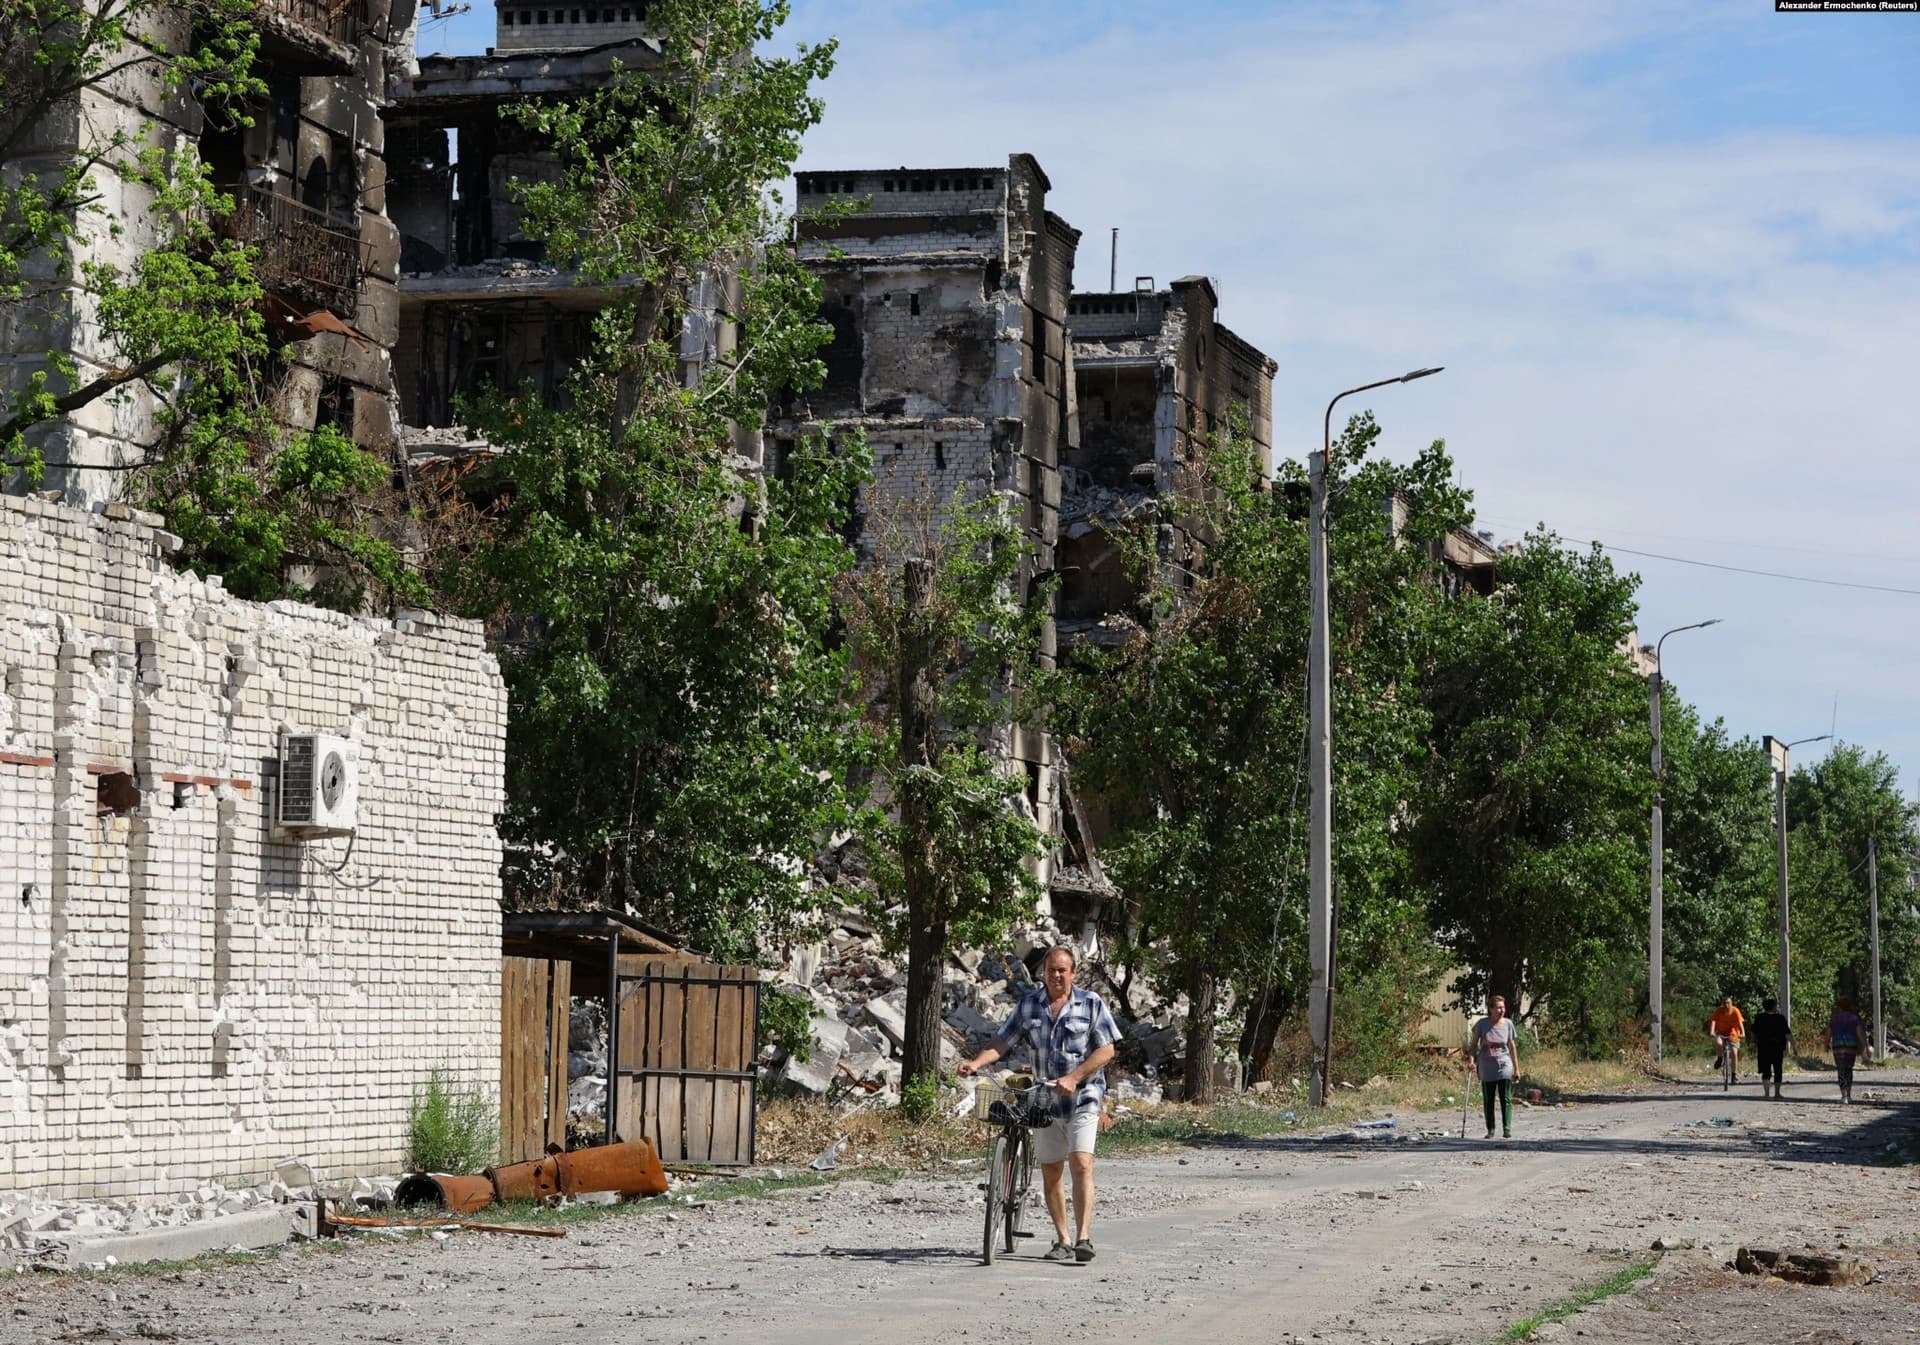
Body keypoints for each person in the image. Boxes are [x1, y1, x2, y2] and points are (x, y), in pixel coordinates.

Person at [958, 945, 1119, 1264]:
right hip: (1044, 1097)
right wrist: (976, 1062)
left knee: (1081, 1163)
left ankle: (1084, 1237)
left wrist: (1074, 1077)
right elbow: (1004, 1040)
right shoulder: (1030, 1005)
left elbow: (1107, 1051)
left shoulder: (1090, 1004)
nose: (1056, 975)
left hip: (1083, 1094)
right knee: (1051, 1171)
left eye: (1063, 970)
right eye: (1051, 970)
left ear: (1073, 973)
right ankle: (1063, 1239)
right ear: (1043, 973)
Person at [1470, 995, 1520, 1139]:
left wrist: (1516, 1068)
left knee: (1506, 1097)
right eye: (1498, 1007)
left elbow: (1512, 1046)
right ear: (1491, 1009)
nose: (1501, 1010)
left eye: (1503, 1007)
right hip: (1486, 1066)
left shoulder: (1508, 1024)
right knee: (1489, 1098)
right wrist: (1471, 1060)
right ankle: (1490, 1129)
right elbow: (1473, 1045)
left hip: (1504, 1064)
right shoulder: (1482, 1024)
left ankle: (1507, 1128)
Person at [1827, 994, 1868, 1105]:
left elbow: (1829, 1033)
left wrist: (1826, 1044)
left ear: (1839, 1007)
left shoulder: (1835, 1019)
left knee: (1841, 1070)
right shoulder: (1854, 1018)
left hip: (1838, 1046)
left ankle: (1843, 1096)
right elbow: (1860, 1034)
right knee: (1848, 1070)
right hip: (1851, 1046)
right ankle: (1849, 1095)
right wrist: (1866, 1047)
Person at [1749, 997, 1791, 1099]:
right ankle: (1777, 1093)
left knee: (1766, 1071)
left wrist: (1754, 1041)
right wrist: (1794, 1047)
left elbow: (1753, 1032)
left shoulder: (1759, 1018)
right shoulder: (1780, 1018)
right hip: (1777, 1048)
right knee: (1778, 1070)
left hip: (1763, 1048)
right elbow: (1787, 1034)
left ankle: (1767, 1093)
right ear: (1774, 1007)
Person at [1708, 995, 1746, 1081]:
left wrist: (1743, 1033)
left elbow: (1740, 1023)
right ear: (1722, 1004)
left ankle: (1733, 1075)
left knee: (1734, 1053)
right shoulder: (1719, 1010)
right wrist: (1712, 1031)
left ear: (1731, 1004)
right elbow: (1713, 1021)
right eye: (1725, 1003)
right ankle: (1720, 1058)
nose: (1726, 1005)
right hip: (1721, 1032)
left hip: (1733, 1033)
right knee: (1718, 1043)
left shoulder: (1735, 1011)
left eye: (1728, 1003)